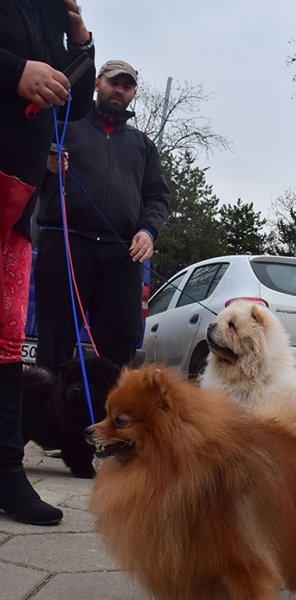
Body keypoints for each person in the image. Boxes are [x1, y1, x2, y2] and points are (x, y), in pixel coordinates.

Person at [0, 0, 95, 525]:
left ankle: (7, 472)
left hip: (15, 198)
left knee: (7, 340)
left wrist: (79, 41)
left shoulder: (51, 14)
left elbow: (75, 103)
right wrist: (15, 72)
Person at [34, 59, 170, 373]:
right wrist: (47, 167)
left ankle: (113, 419)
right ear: (97, 84)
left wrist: (148, 231)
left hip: (122, 255)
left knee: (122, 342)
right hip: (65, 244)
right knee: (55, 340)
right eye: (113, 83)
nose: (119, 90)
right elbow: (30, 173)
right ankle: (49, 419)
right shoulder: (65, 123)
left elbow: (158, 196)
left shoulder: (143, 146)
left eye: (127, 86)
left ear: (134, 93)